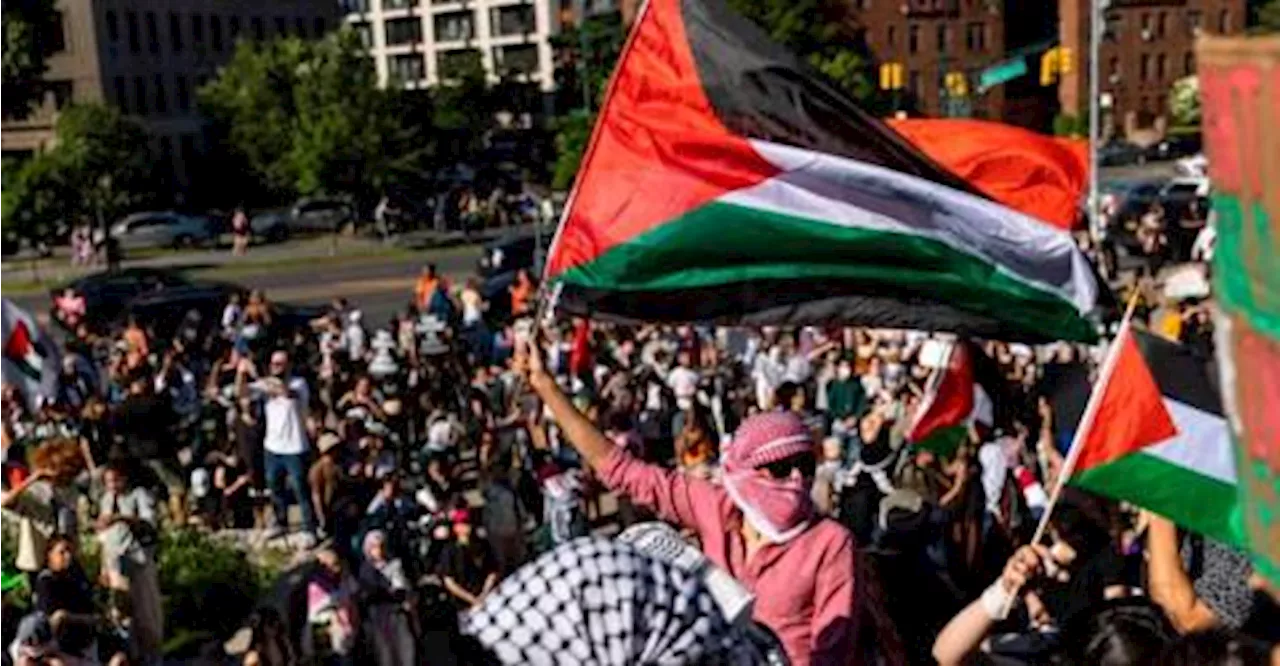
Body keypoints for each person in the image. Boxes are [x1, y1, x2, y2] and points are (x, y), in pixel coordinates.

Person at [521, 337, 858, 666]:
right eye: (781, 468)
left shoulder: (830, 542)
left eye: (806, 465)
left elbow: (833, 651)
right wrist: (545, 385)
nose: (797, 480)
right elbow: (621, 469)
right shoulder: (715, 507)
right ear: (742, 469)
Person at [243, 350, 317, 544]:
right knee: (274, 487)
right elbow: (241, 392)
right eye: (274, 363)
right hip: (272, 446)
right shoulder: (265, 384)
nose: (277, 367)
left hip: (295, 446)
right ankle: (279, 523)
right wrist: (241, 373)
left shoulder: (299, 384)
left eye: (281, 364)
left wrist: (259, 377)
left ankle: (310, 528)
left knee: (300, 487)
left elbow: (285, 393)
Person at [97, 463, 163, 665]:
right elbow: (104, 536)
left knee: (146, 613)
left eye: (116, 480)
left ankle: (153, 656)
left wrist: (122, 518)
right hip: (115, 561)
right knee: (120, 613)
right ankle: (130, 655)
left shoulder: (138, 495)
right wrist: (104, 567)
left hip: (138, 559)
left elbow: (149, 523)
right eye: (108, 481)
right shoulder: (106, 500)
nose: (112, 485)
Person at [358, 530, 416, 666]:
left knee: (406, 650)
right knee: (385, 654)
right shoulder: (366, 569)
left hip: (398, 612)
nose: (378, 550)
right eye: (374, 547)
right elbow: (372, 593)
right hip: (379, 615)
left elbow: (403, 588)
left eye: (381, 546)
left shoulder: (395, 564)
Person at [306, 548, 359, 666]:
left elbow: (353, 596)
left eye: (337, 564)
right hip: (329, 635)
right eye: (333, 565)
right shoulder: (317, 586)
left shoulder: (344, 579)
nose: (337, 569)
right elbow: (317, 615)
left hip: (349, 630)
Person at [438, 508, 499, 611]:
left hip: (488, 597)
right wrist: (472, 599)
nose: (465, 526)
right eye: (461, 523)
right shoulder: (449, 550)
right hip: (464, 605)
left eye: (467, 522)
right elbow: (449, 582)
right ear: (455, 527)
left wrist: (484, 593)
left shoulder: (482, 544)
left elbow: (493, 570)